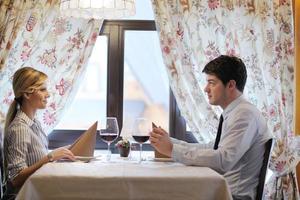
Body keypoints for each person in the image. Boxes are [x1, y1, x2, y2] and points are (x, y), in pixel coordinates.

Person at [150, 55, 272, 200]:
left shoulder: (244, 114)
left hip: (233, 196)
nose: (206, 88)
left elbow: (222, 161)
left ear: (231, 85)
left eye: (212, 83)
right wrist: (171, 142)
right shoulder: (237, 112)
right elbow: (213, 147)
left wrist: (171, 150)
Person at [3, 67, 75, 199]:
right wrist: (50, 157)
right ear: (27, 94)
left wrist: (61, 152)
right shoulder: (20, 128)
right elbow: (16, 179)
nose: (48, 94)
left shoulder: (34, 123)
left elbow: (34, 160)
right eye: (42, 89)